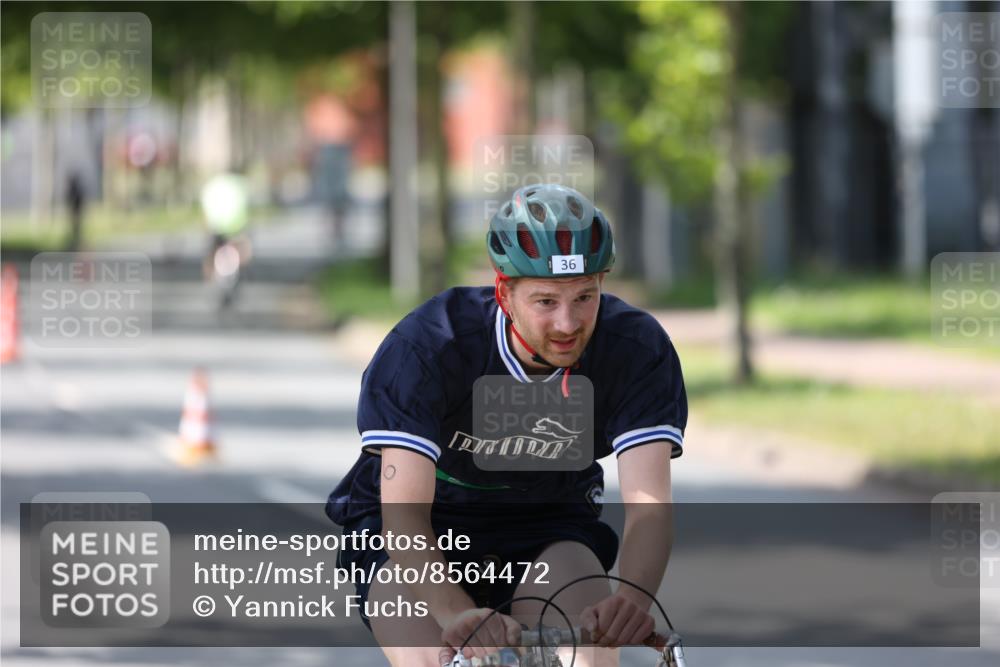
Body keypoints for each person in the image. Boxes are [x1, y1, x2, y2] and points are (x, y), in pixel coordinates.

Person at [326, 184, 687, 667]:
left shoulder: (635, 348)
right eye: (545, 302)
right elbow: (404, 518)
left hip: (545, 524)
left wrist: (632, 602)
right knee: (438, 660)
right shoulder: (431, 346)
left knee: (592, 658)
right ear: (504, 293)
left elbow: (649, 509)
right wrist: (458, 614)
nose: (567, 324)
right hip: (426, 528)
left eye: (584, 296)